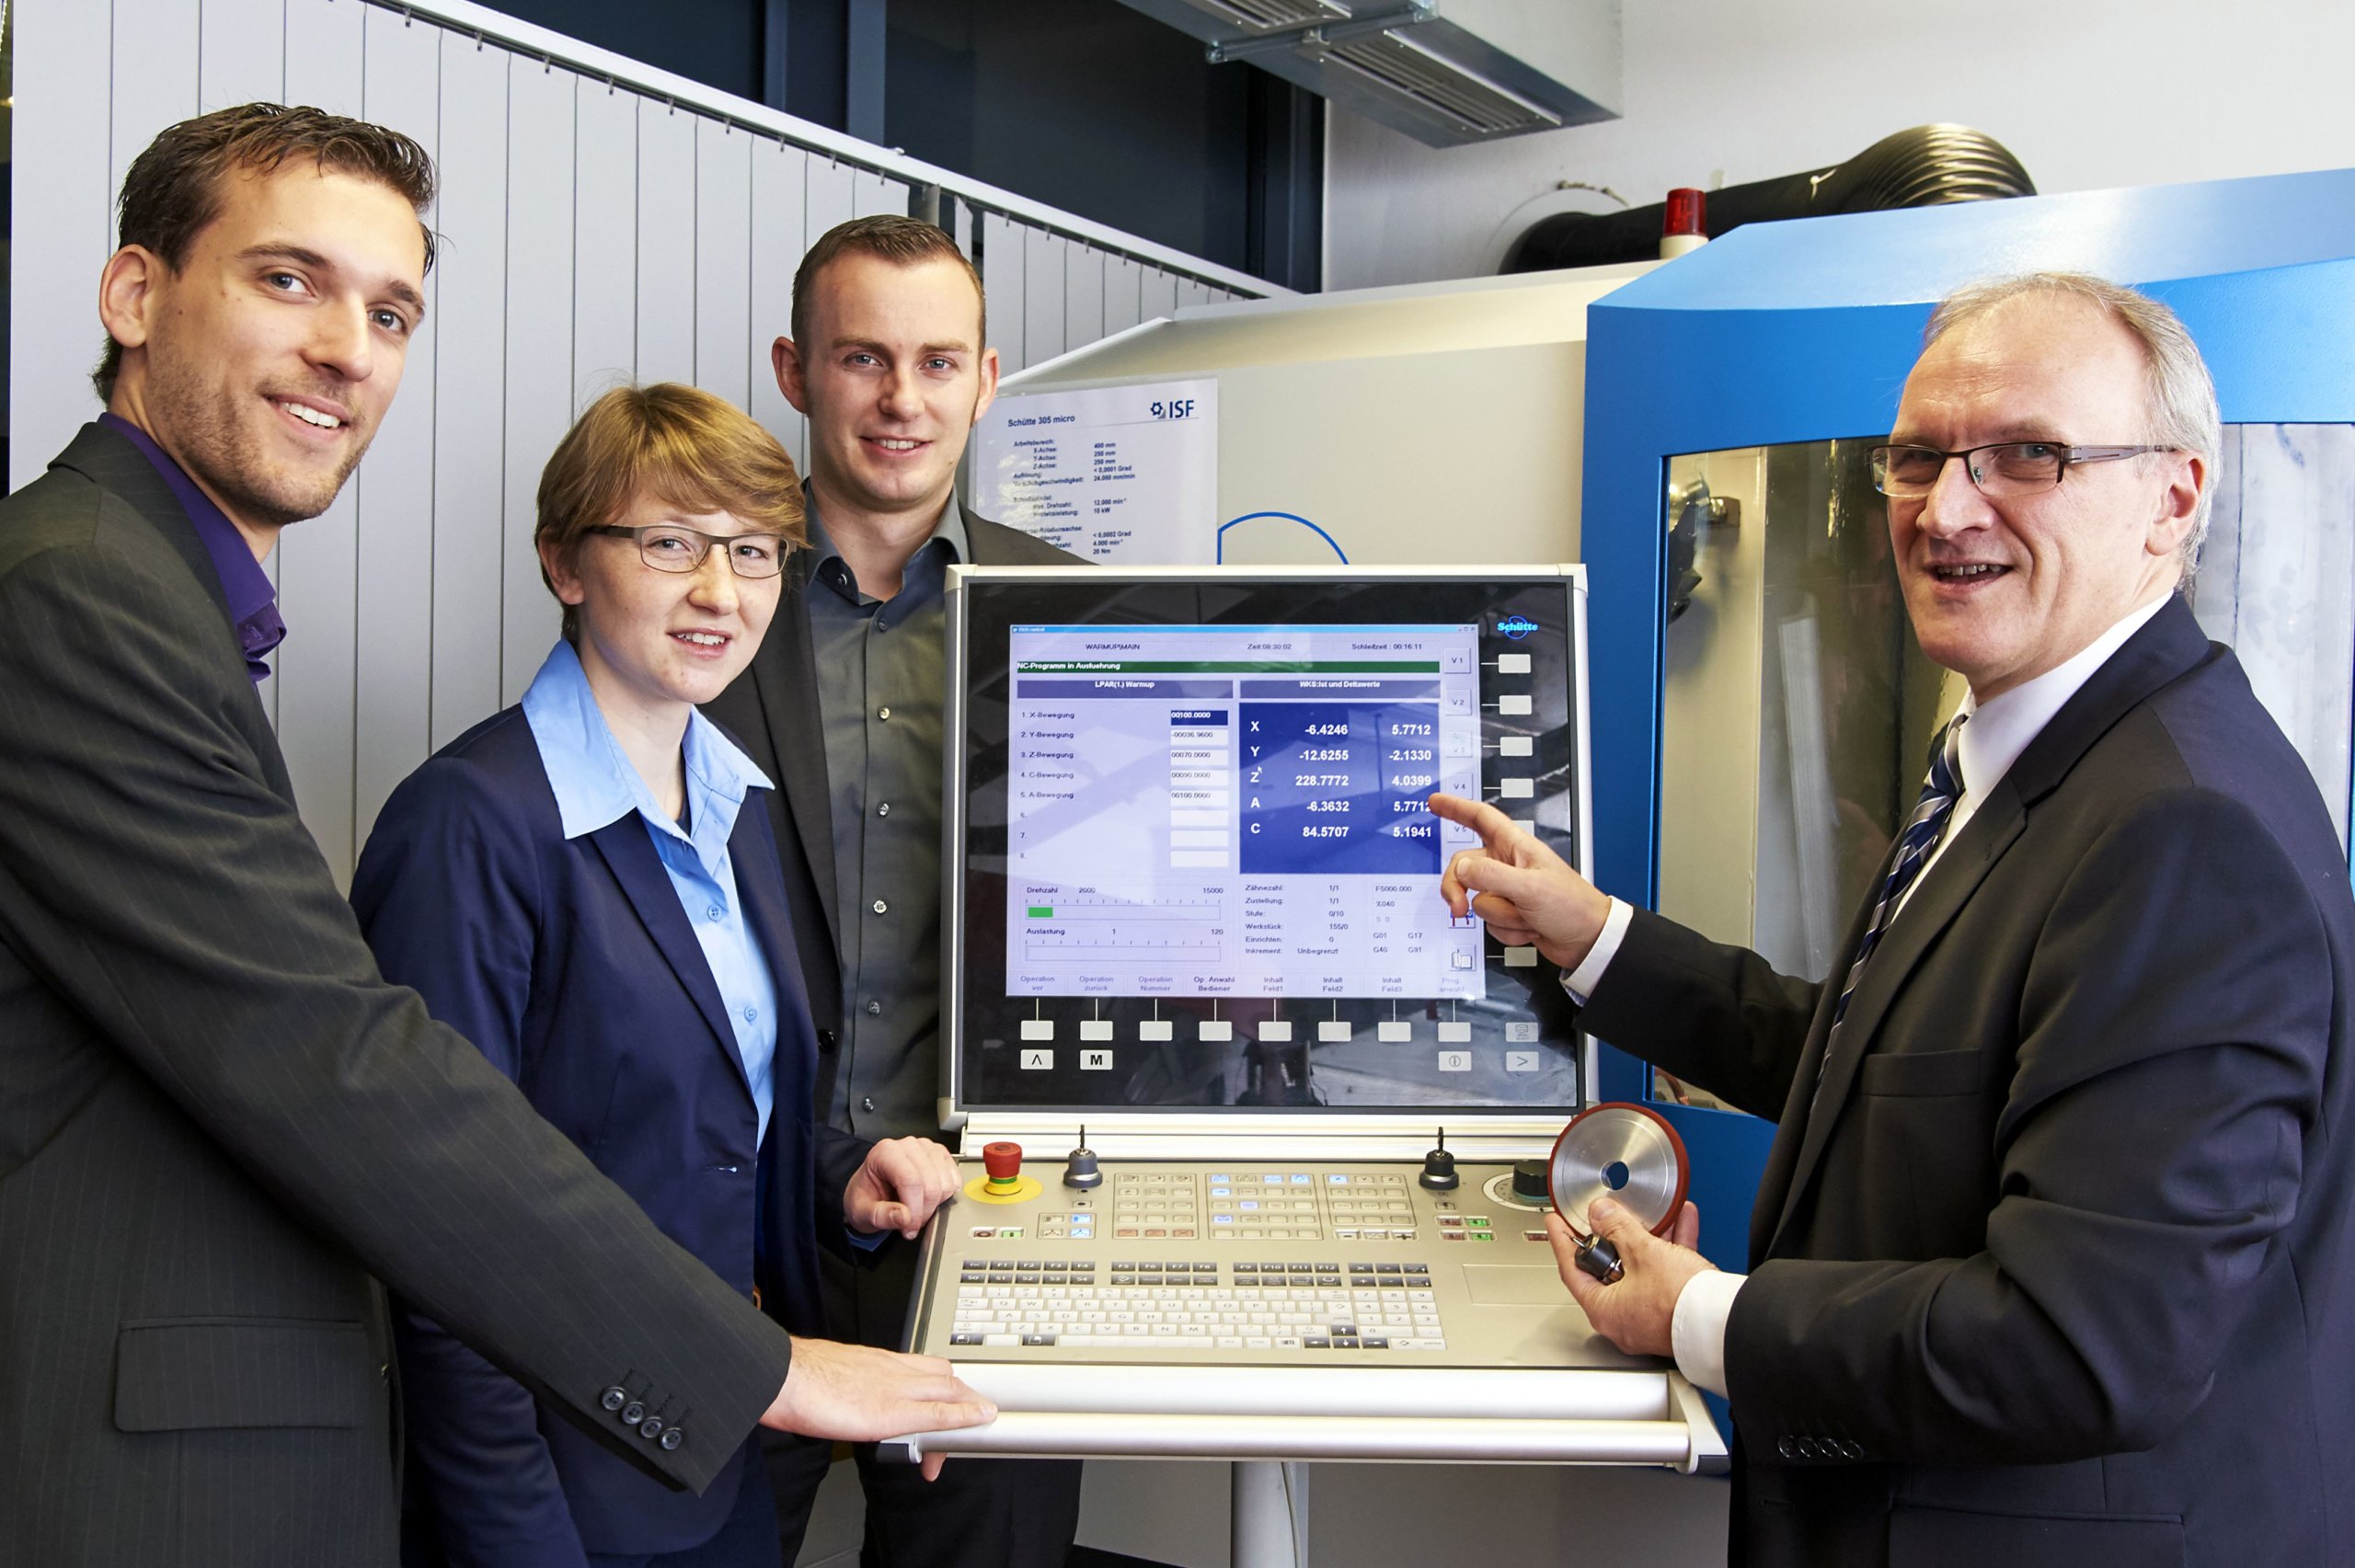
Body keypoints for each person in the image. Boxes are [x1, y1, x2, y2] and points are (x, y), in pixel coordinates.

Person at [0, 104, 988, 1566]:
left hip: (644, 1460)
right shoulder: (90, 596)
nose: (348, 348)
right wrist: (755, 1366)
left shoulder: (737, 805)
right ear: (135, 294)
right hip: (272, 1444)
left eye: (389, 309)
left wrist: (833, 1180)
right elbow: (343, 1073)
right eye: (289, 281)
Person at [1434, 272, 2355, 1568]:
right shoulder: (2027, 756)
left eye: (2027, 454)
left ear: (2174, 495)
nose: (1948, 508)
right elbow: (1894, 1061)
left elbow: (2080, 1343)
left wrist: (1706, 1316)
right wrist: (1597, 937)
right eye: (1916, 459)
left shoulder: (2178, 830)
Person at [351, 384, 969, 1567]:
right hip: (562, 1481)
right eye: (670, 544)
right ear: (565, 563)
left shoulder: (734, 807)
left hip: (718, 1449)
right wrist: (513, 1537)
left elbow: (698, 1105)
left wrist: (840, 1173)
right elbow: (438, 1232)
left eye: (752, 552)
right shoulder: (470, 828)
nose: (718, 594)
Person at [702, 215, 1086, 1568]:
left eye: (937, 361)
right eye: (863, 357)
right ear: (795, 371)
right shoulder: (705, 592)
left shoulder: (1079, 616)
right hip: (733, 1234)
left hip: (988, 1225)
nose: (902, 399)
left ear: (988, 379)